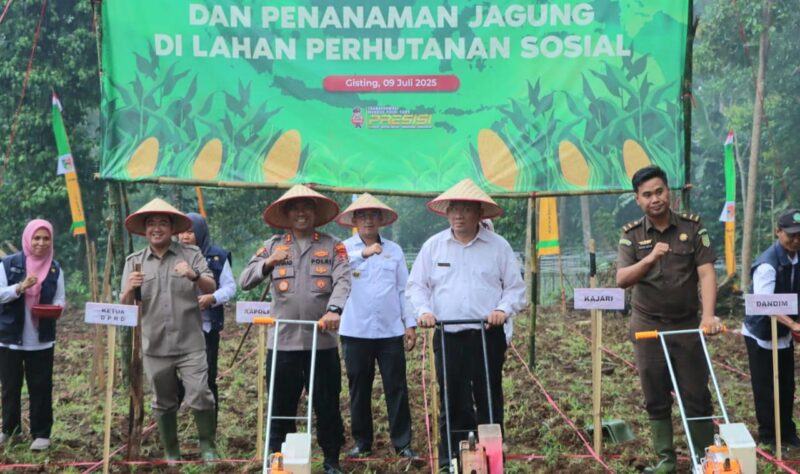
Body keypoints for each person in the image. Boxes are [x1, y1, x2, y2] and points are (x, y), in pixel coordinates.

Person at [406, 178, 526, 471]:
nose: (458, 215)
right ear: (446, 213)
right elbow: (416, 286)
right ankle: (452, 460)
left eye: (465, 210)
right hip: (448, 334)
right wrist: (424, 311)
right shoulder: (434, 247)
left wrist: (502, 309)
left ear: (479, 214)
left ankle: (494, 460)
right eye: (453, 209)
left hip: (487, 334)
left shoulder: (498, 247)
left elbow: (515, 289)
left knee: (488, 396)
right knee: (451, 399)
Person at [616, 166, 722, 472]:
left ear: (669, 192)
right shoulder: (631, 235)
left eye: (659, 191)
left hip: (687, 323)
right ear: (638, 200)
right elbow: (622, 279)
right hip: (647, 325)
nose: (655, 199)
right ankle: (666, 460)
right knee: (654, 391)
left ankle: (703, 458)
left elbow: (705, 272)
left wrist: (709, 315)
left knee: (696, 392)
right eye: (647, 194)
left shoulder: (693, 227)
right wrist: (649, 258)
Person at [239, 185, 351, 474]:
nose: (301, 213)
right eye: (295, 208)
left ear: (315, 213)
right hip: (283, 342)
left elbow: (343, 280)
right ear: (287, 214)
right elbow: (245, 279)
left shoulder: (332, 245)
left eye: (307, 207)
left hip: (321, 341)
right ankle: (278, 460)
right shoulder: (272, 245)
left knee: (327, 405)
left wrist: (334, 310)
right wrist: (268, 262)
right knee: (281, 406)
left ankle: (330, 461)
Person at [120, 199, 219, 461]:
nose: (157, 228)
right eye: (151, 223)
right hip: (155, 345)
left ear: (172, 227)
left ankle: (207, 446)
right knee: (163, 401)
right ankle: (171, 451)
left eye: (163, 222)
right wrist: (129, 288)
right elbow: (125, 306)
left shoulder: (191, 255)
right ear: (144, 229)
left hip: (190, 343)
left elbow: (211, 287)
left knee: (200, 394)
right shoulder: (135, 262)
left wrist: (194, 276)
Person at [335, 193, 416, 459]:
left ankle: (403, 444)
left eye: (372, 215)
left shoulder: (395, 250)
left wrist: (410, 324)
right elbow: (336, 271)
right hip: (355, 330)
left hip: (390, 331)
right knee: (359, 388)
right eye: (362, 215)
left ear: (381, 220)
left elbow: (404, 289)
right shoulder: (344, 248)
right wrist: (364, 253)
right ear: (354, 220)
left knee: (397, 387)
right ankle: (362, 441)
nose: (368, 220)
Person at [0, 219, 65, 451]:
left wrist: (57, 309)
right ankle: (10, 429)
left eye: (46, 238)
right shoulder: (7, 264)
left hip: (41, 339)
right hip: (10, 338)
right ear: (28, 238)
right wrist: (20, 287)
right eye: (36, 238)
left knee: (41, 386)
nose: (41, 243)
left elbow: (60, 299)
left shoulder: (55, 268)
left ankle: (41, 433)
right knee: (10, 386)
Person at [742, 208, 800, 449]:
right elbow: (764, 303)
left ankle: (787, 431)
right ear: (778, 232)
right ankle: (768, 434)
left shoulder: (797, 257)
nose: (796, 240)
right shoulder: (767, 264)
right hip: (762, 333)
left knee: (787, 383)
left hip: (785, 331)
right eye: (790, 235)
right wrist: (794, 324)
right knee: (766, 385)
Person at [177, 212, 236, 421]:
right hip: (178, 328)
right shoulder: (172, 255)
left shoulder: (217, 256)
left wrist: (212, 298)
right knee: (173, 377)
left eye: (190, 232)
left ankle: (209, 427)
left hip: (207, 328)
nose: (185, 237)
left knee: (208, 378)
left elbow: (230, 287)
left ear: (200, 233)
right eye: (181, 232)